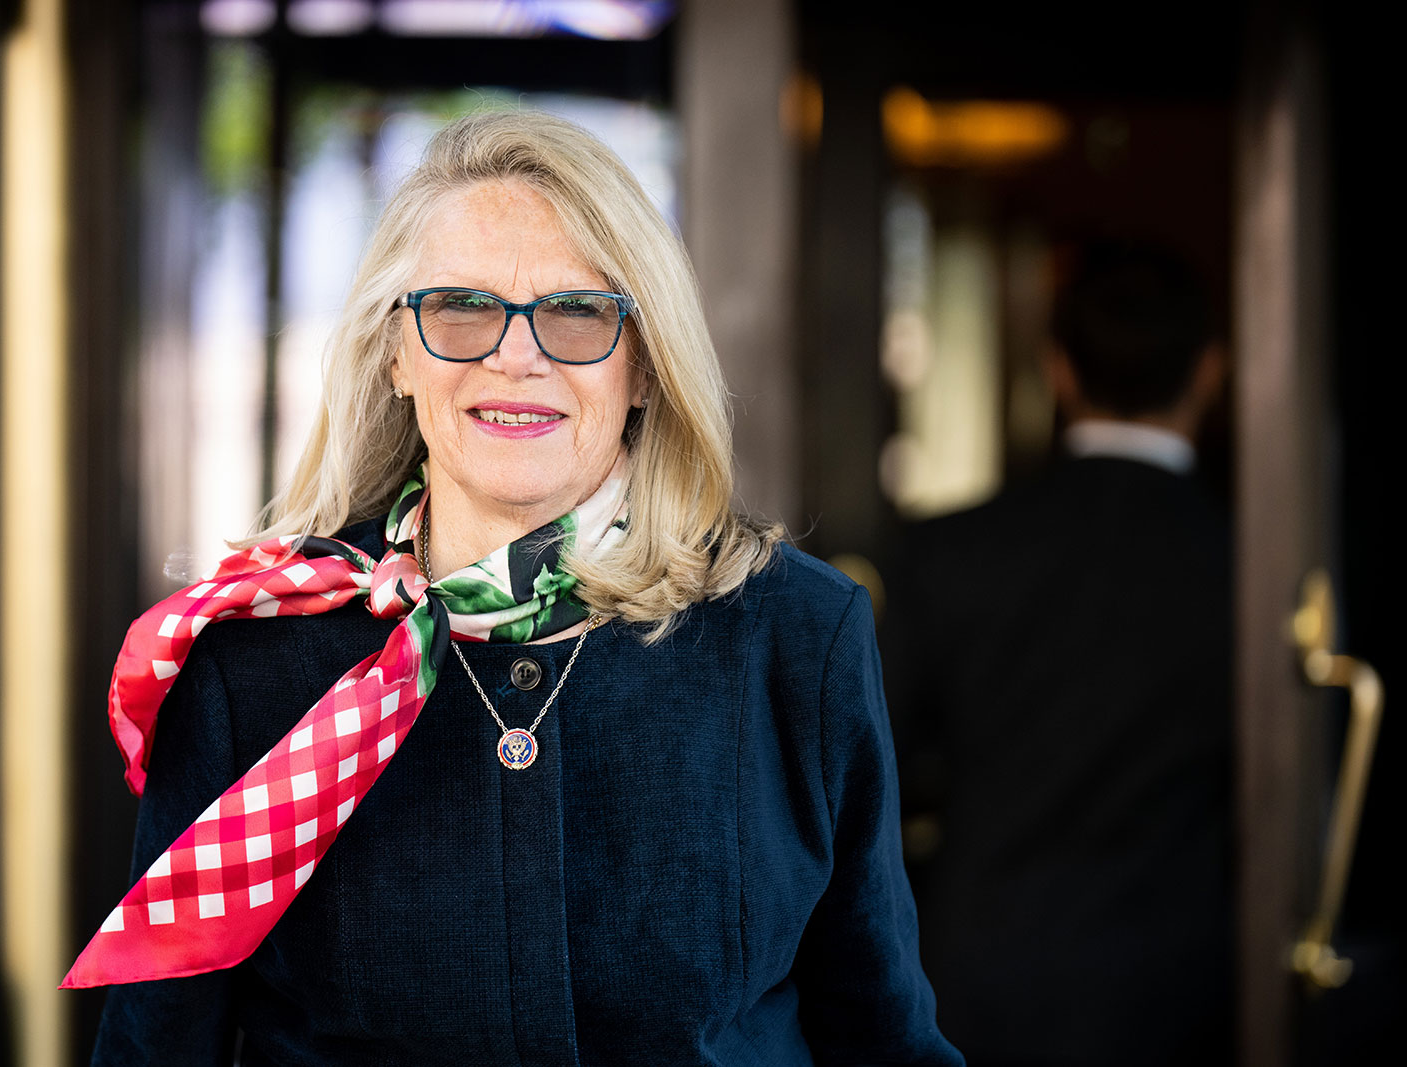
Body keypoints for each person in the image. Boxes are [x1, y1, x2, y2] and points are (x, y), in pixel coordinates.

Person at [71, 110, 961, 1066]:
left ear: (645, 367)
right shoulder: (254, 661)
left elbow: (881, 1036)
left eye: (578, 311)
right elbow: (155, 1046)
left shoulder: (795, 635)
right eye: (461, 307)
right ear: (396, 355)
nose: (516, 354)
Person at [880, 242, 1233, 1066]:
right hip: (1185, 988)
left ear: (1059, 370)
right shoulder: (1254, 565)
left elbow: (874, 775)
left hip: (978, 976)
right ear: (1211, 372)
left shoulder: (948, 552)